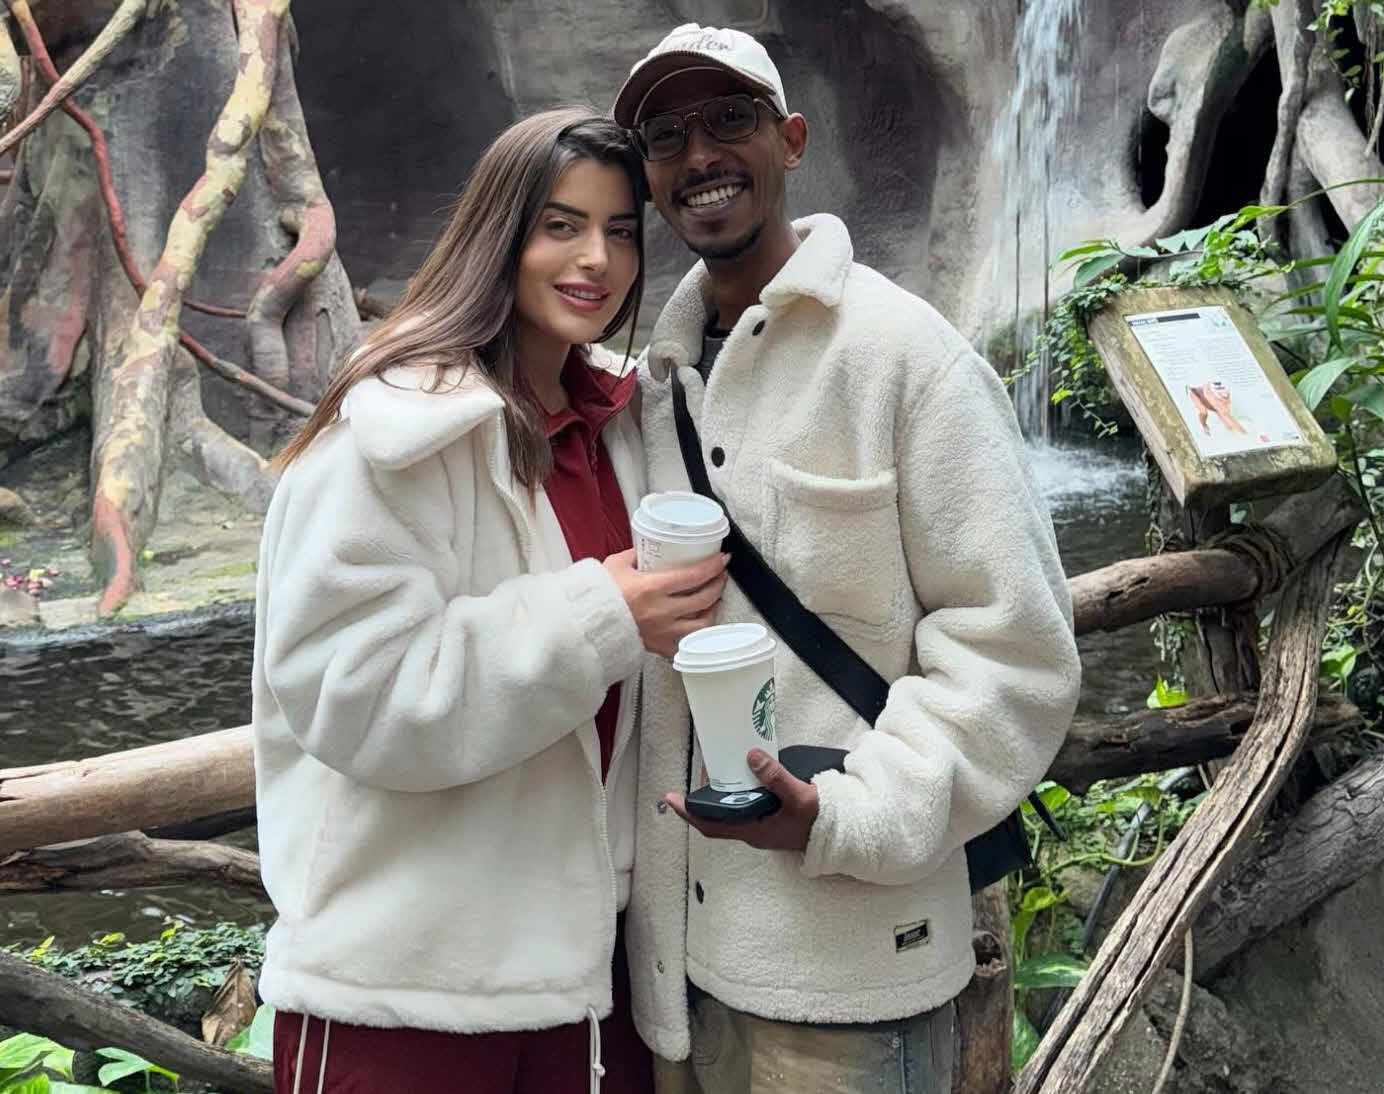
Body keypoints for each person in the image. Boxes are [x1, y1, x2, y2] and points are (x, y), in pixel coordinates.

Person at [613, 26, 1083, 1094]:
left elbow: (1015, 652)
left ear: (790, 140)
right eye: (666, 135)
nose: (699, 155)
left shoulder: (905, 355)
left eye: (728, 119)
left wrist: (847, 815)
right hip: (678, 974)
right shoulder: (653, 386)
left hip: (852, 967)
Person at [251, 108, 729, 1094]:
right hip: (407, 988)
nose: (597, 258)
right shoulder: (393, 433)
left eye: (621, 230)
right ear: (498, 237)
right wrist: (599, 620)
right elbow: (351, 693)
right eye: (561, 226)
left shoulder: (622, 423)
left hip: (588, 980)